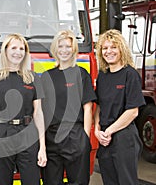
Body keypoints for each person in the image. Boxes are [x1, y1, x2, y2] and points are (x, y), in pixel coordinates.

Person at [0, 33, 47, 185]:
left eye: (22, 48)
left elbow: (38, 113)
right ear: (5, 51)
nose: (18, 52)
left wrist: (42, 147)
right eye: (14, 48)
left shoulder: (33, 77)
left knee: (32, 181)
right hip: (2, 133)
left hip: (28, 134)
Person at [40, 30, 96, 185]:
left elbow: (88, 107)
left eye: (68, 46)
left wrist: (84, 138)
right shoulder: (46, 76)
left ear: (74, 49)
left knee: (78, 182)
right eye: (61, 46)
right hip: (51, 137)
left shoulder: (81, 74)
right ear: (55, 49)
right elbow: (41, 112)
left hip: (75, 135)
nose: (64, 50)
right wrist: (42, 143)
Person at [94, 29, 145, 185]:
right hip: (105, 139)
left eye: (113, 47)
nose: (109, 51)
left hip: (124, 137)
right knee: (109, 181)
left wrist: (108, 131)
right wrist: (97, 130)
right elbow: (99, 106)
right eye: (105, 48)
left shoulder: (130, 74)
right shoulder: (102, 75)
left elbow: (133, 111)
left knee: (126, 181)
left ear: (121, 49)